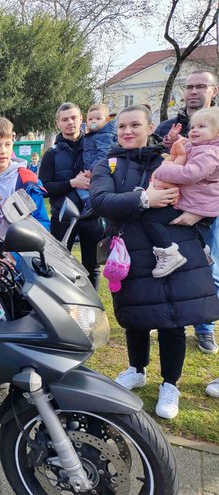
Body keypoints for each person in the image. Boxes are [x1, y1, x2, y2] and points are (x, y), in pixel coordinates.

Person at [90, 104, 219, 419]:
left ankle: (170, 384)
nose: (127, 131)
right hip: (130, 253)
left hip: (172, 251)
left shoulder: (170, 159)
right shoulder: (106, 164)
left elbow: (205, 189)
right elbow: (100, 202)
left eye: (135, 125)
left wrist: (201, 214)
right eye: (121, 126)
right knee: (136, 315)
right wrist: (144, 199)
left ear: (150, 128)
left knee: (172, 319)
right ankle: (136, 369)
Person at [156, 70, 219, 354]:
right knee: (172, 266)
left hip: (209, 217)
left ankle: (205, 327)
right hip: (175, 208)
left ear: (213, 91)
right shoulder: (172, 126)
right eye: (189, 86)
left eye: (200, 86)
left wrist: (204, 212)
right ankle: (173, 320)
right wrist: (168, 145)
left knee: (208, 271)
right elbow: (157, 157)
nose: (194, 91)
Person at [139, 107, 219, 277]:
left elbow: (191, 173)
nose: (194, 130)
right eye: (193, 127)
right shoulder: (203, 145)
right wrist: (173, 140)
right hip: (192, 199)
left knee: (151, 218)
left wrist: (163, 171)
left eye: (201, 127)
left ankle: (168, 253)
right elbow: (187, 146)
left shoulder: (210, 153)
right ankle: (203, 249)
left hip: (194, 202)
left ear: (217, 133)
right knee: (189, 228)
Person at [39, 102, 103, 289]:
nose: (70, 123)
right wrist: (71, 183)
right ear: (57, 123)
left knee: (92, 266)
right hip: (63, 218)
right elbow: (43, 188)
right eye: (65, 119)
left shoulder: (95, 147)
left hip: (92, 215)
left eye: (74, 118)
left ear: (81, 118)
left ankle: (93, 309)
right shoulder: (52, 154)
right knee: (59, 266)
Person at [78, 103, 117, 214]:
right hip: (93, 172)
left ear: (107, 120)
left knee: (86, 191)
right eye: (90, 119)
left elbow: (104, 154)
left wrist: (92, 170)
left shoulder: (105, 135)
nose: (93, 121)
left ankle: (90, 205)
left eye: (98, 118)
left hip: (98, 172)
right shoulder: (93, 135)